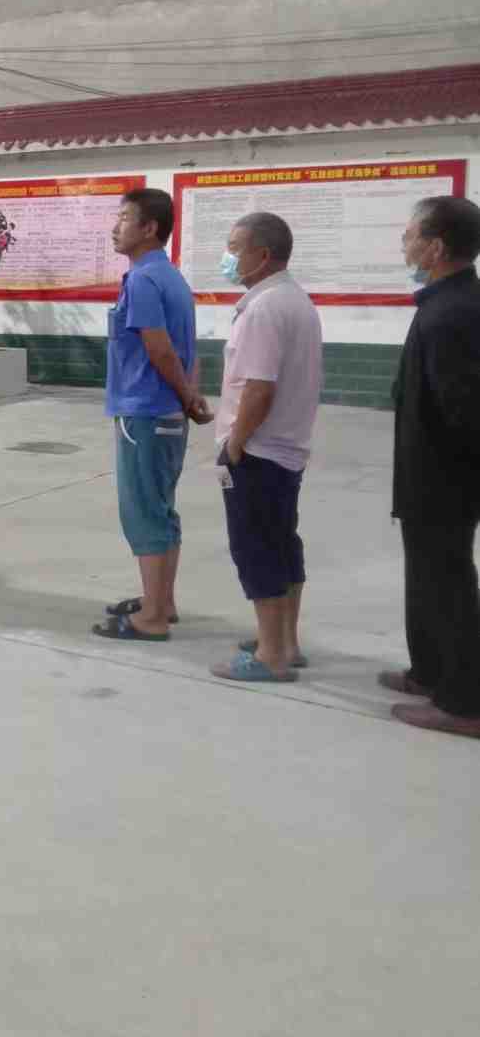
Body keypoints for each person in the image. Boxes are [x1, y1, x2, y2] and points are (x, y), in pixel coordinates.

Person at [207, 212, 324, 684]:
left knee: (256, 549)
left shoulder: (264, 308)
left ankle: (270, 655)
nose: (228, 256)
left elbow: (259, 388)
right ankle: (285, 642)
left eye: (235, 247)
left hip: (258, 451)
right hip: (286, 449)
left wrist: (235, 444)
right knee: (281, 543)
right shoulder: (295, 300)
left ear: (263, 255)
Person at [94, 188, 210, 641]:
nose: (115, 227)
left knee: (143, 512)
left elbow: (160, 349)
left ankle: (153, 618)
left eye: (124, 218)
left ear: (149, 228)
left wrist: (186, 395)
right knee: (160, 508)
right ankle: (161, 601)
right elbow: (188, 347)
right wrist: (189, 396)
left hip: (144, 411)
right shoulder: (171, 277)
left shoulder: (144, 280)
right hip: (166, 412)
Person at [384, 195, 480, 739]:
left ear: (436, 247)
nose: (405, 244)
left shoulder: (452, 313)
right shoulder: (445, 302)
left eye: (411, 235)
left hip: (444, 480)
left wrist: (451, 482)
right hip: (427, 475)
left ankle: (464, 702)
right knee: (426, 578)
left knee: (447, 583)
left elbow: (463, 411)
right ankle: (430, 671)